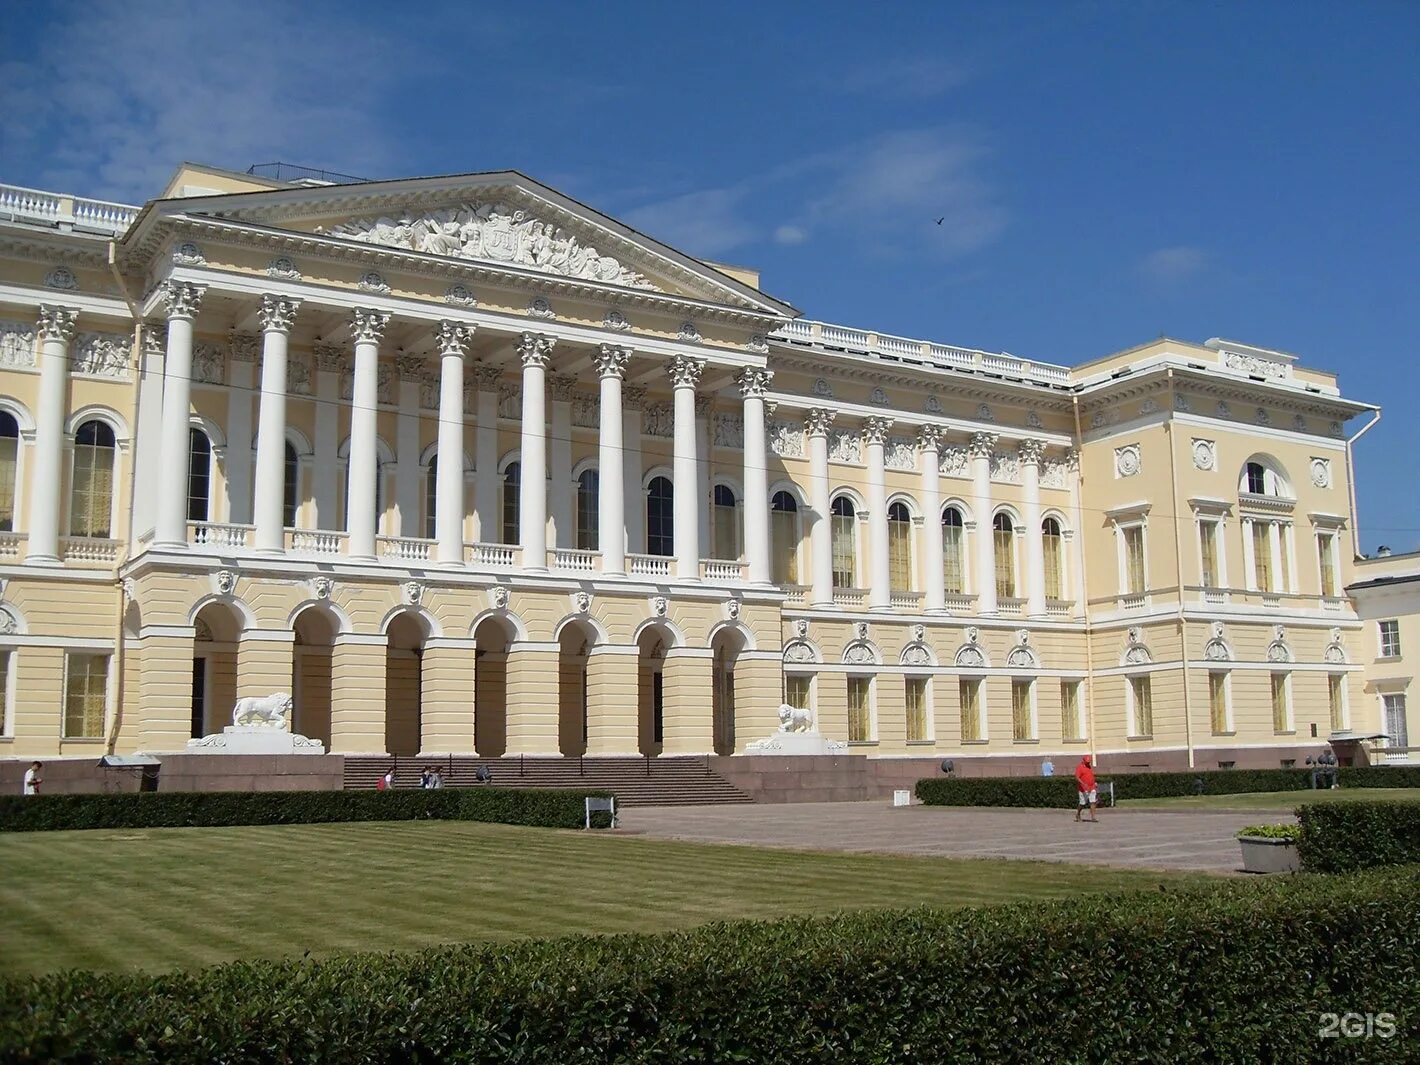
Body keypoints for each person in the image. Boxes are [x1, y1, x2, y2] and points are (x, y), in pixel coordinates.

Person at [1074, 756, 1098, 822]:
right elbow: (1077, 777)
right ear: (1083, 761)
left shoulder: (1089, 767)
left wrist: (1094, 782)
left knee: (1093, 802)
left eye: (1089, 762)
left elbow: (1091, 776)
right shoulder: (1080, 767)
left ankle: (1093, 817)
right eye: (1087, 762)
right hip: (1083, 789)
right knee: (1082, 803)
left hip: (1092, 787)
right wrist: (1083, 784)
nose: (1088, 763)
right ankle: (1078, 814)